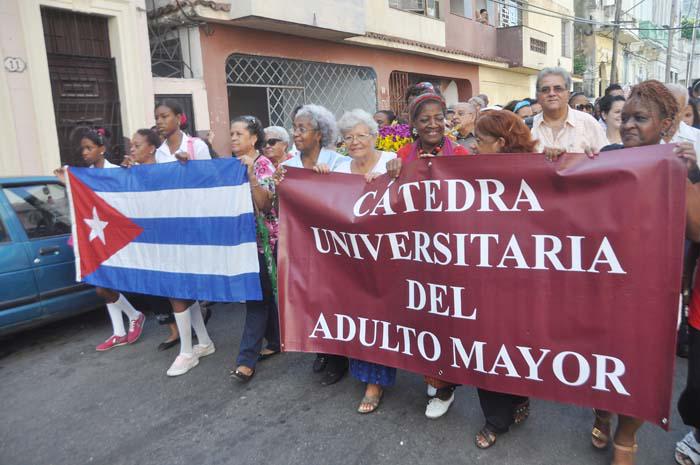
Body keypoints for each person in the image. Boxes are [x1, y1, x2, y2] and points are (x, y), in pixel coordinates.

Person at [576, 80, 700, 465]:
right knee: (600, 360)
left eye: (640, 118)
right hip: (602, 284)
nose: (628, 124)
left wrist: (684, 173)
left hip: (653, 292)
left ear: (665, 124)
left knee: (640, 367)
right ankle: (600, 412)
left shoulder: (684, 164)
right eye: (625, 117)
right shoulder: (605, 155)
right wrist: (557, 162)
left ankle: (626, 439)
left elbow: (696, 230)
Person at [386, 87, 468, 420]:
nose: (433, 124)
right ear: (413, 124)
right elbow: (386, 201)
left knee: (448, 319)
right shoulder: (402, 156)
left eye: (439, 118)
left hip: (452, 253)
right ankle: (433, 375)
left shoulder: (462, 155)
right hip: (415, 254)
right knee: (422, 316)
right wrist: (391, 173)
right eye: (425, 119)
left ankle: (446, 384)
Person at [312, 109, 397, 413]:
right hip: (350, 258)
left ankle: (377, 382)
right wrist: (320, 176)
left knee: (381, 317)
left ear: (375, 136)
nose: (355, 141)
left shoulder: (391, 160)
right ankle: (367, 376)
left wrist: (389, 178)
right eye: (349, 137)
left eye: (362, 135)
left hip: (387, 256)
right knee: (359, 317)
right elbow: (324, 199)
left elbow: (410, 198)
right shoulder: (339, 166)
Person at [470, 110, 536, 448]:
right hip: (482, 277)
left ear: (501, 143)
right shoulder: (466, 174)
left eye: (480, 141)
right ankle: (496, 418)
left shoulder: (536, 173)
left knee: (518, 342)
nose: (474, 147)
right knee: (486, 343)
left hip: (522, 278)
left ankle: (519, 397)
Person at [54, 129, 146, 351]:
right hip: (95, 235)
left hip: (115, 235)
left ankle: (134, 315)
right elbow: (82, 205)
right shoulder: (84, 175)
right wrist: (68, 183)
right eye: (83, 149)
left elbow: (127, 201)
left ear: (101, 149)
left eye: (89, 148)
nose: (85, 153)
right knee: (102, 283)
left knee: (103, 287)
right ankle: (119, 331)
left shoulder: (117, 172)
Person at [281, 104, 348, 385]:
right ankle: (321, 349)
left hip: (332, 247)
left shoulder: (336, 162)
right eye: (294, 128)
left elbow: (347, 201)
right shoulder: (288, 166)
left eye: (302, 129)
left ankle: (338, 358)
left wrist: (328, 182)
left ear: (319, 135)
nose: (295, 134)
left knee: (333, 299)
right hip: (303, 246)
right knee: (310, 299)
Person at [228, 116, 281, 383]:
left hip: (265, 244)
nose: (234, 138)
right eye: (232, 134)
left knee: (256, 300)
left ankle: (246, 359)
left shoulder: (262, 166)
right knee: (265, 295)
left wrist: (250, 176)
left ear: (253, 138)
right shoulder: (230, 165)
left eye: (239, 134)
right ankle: (276, 339)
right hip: (244, 243)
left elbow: (265, 205)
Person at [531, 67, 608, 156]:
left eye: (558, 89)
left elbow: (607, 161)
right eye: (545, 90)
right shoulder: (527, 128)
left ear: (568, 94)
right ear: (537, 96)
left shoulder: (587, 123)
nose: (551, 94)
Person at [667, 83, 700, 158]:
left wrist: (693, 168)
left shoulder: (698, 137)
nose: (669, 113)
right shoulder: (646, 135)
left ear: (683, 110)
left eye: (676, 109)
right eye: (665, 107)